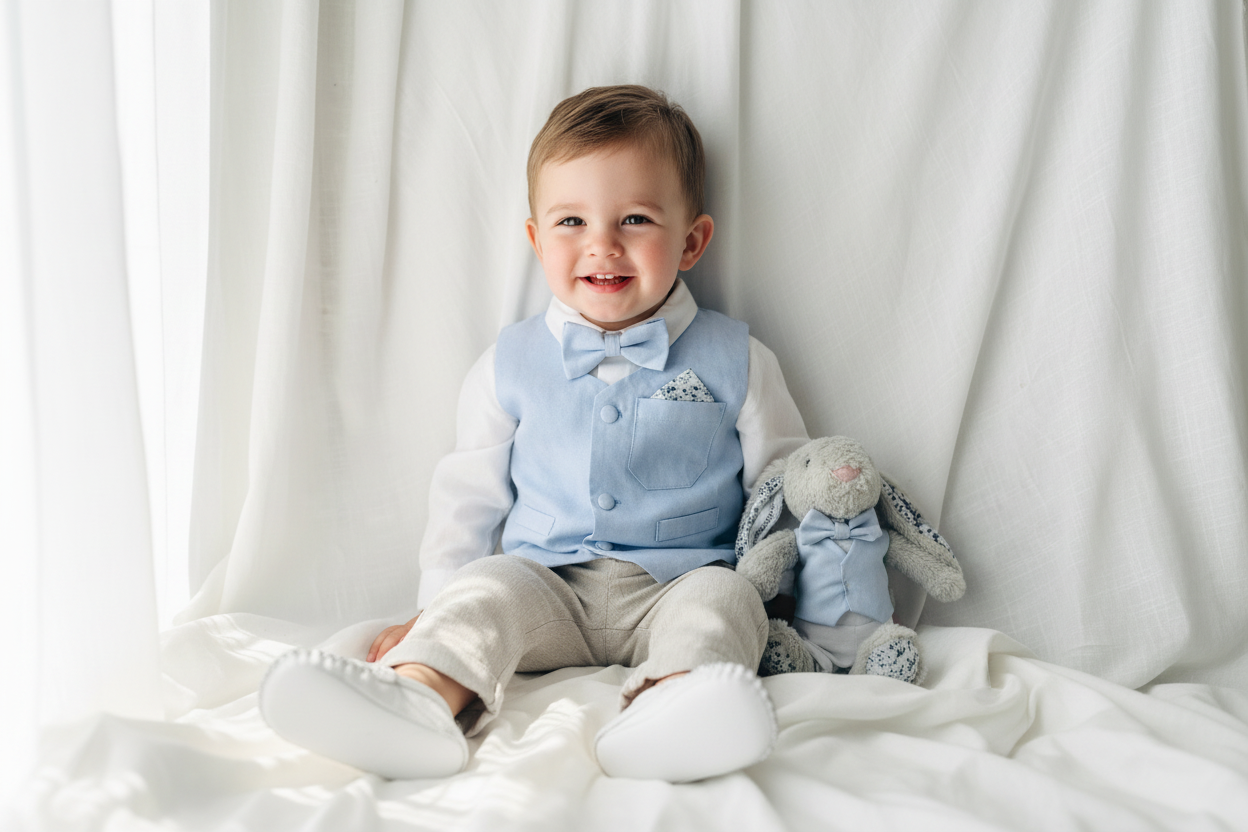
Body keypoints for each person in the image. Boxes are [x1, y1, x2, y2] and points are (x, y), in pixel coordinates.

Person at [259, 84, 808, 783]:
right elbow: (467, 495)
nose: (602, 245)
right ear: (536, 239)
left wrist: (806, 603)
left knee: (725, 604)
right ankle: (420, 698)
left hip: (679, 581)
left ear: (693, 240)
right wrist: (433, 610)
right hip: (547, 585)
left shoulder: (740, 359)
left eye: (635, 218)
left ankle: (671, 710)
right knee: (486, 590)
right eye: (571, 221)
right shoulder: (507, 364)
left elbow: (784, 488)